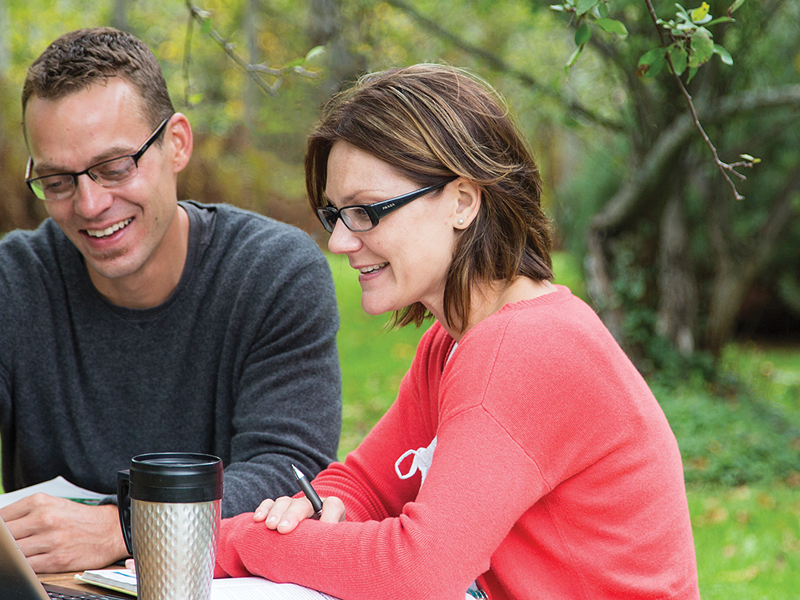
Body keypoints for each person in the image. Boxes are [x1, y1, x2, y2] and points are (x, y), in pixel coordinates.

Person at [212, 64, 701, 600]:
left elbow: (417, 573)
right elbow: (366, 486)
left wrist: (236, 543)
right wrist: (315, 505)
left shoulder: (523, 350)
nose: (341, 243)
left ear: (463, 202)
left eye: (367, 212)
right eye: (336, 215)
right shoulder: (453, 343)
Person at [0, 27, 342, 573]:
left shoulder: (272, 272)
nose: (90, 204)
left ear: (177, 143)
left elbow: (291, 473)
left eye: (115, 167)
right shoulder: (14, 283)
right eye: (58, 181)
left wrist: (125, 525)